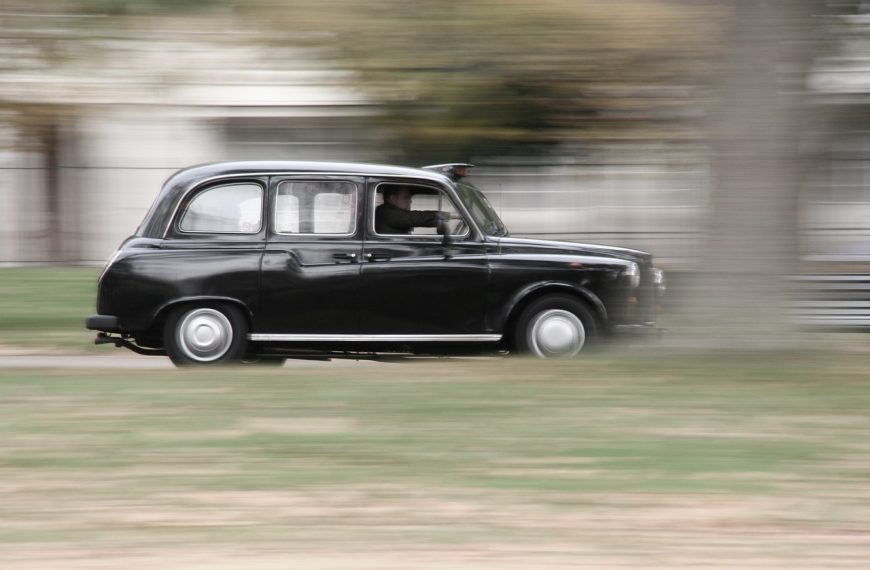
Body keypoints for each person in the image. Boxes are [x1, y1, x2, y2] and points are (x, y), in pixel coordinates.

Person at [375, 185, 455, 234]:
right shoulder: (387, 213)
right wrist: (451, 215)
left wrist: (439, 222)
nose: (410, 200)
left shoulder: (387, 212)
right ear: (393, 198)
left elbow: (420, 219)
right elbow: (415, 218)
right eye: (406, 197)